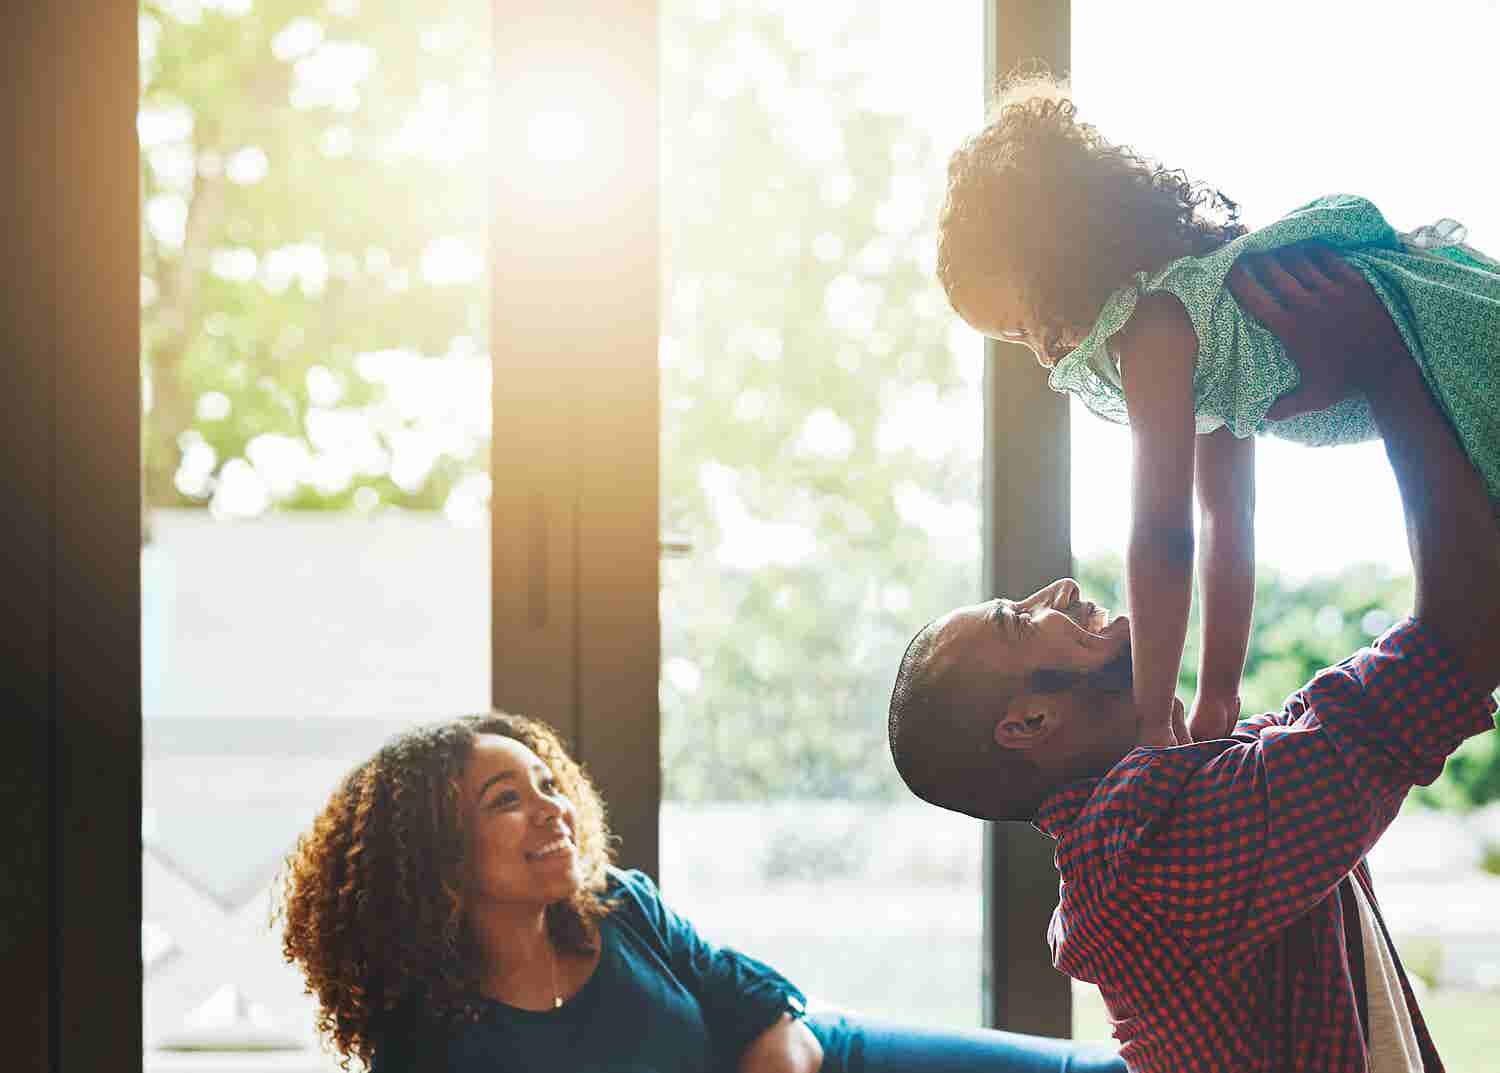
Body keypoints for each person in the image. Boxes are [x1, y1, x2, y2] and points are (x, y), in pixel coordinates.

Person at [888, 244, 1500, 1072]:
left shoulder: (1168, 807)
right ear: (1028, 721)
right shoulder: (1153, 862)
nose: (1058, 589)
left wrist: (1222, 390)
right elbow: (1460, 640)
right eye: (1018, 618)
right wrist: (1387, 361)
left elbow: (1229, 512)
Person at [934, 70, 1500, 742]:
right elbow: (1226, 520)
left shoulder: (1156, 326)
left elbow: (1163, 534)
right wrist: (1218, 698)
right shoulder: (1199, 316)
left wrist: (1151, 716)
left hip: (1469, 348)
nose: (1038, 353)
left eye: (1021, 328)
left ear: (1049, 261)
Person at [277, 710, 1125, 1073]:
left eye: (549, 783)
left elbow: (768, 1012)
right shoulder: (428, 1040)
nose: (553, 808)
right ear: (438, 853)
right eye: (507, 799)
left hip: (819, 1058)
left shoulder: (618, 905)